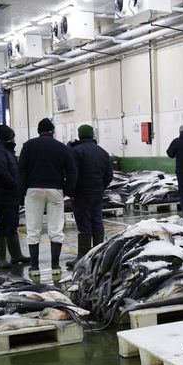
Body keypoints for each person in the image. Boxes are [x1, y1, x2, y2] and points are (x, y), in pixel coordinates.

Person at [17, 118, 77, 279]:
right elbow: (72, 172)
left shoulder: (28, 146)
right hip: (55, 190)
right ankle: (55, 266)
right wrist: (67, 190)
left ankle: (34, 267)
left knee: (33, 228)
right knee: (56, 228)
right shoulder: (61, 147)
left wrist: (22, 193)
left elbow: (21, 171)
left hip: (33, 190)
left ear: (38, 130)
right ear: (52, 131)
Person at [67, 124, 113, 269]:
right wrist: (101, 187)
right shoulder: (103, 152)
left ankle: (83, 257)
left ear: (79, 135)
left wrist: (71, 192)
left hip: (81, 193)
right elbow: (109, 175)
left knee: (84, 223)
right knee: (97, 220)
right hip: (97, 191)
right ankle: (99, 255)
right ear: (92, 135)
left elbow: (72, 174)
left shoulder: (76, 152)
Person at [0, 125, 29, 270]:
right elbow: (1, 173)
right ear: (8, 137)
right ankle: (1, 259)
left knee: (12, 225)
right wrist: (16, 185)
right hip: (3, 194)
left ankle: (16, 255)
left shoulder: (7, 151)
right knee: (3, 225)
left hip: (11, 195)